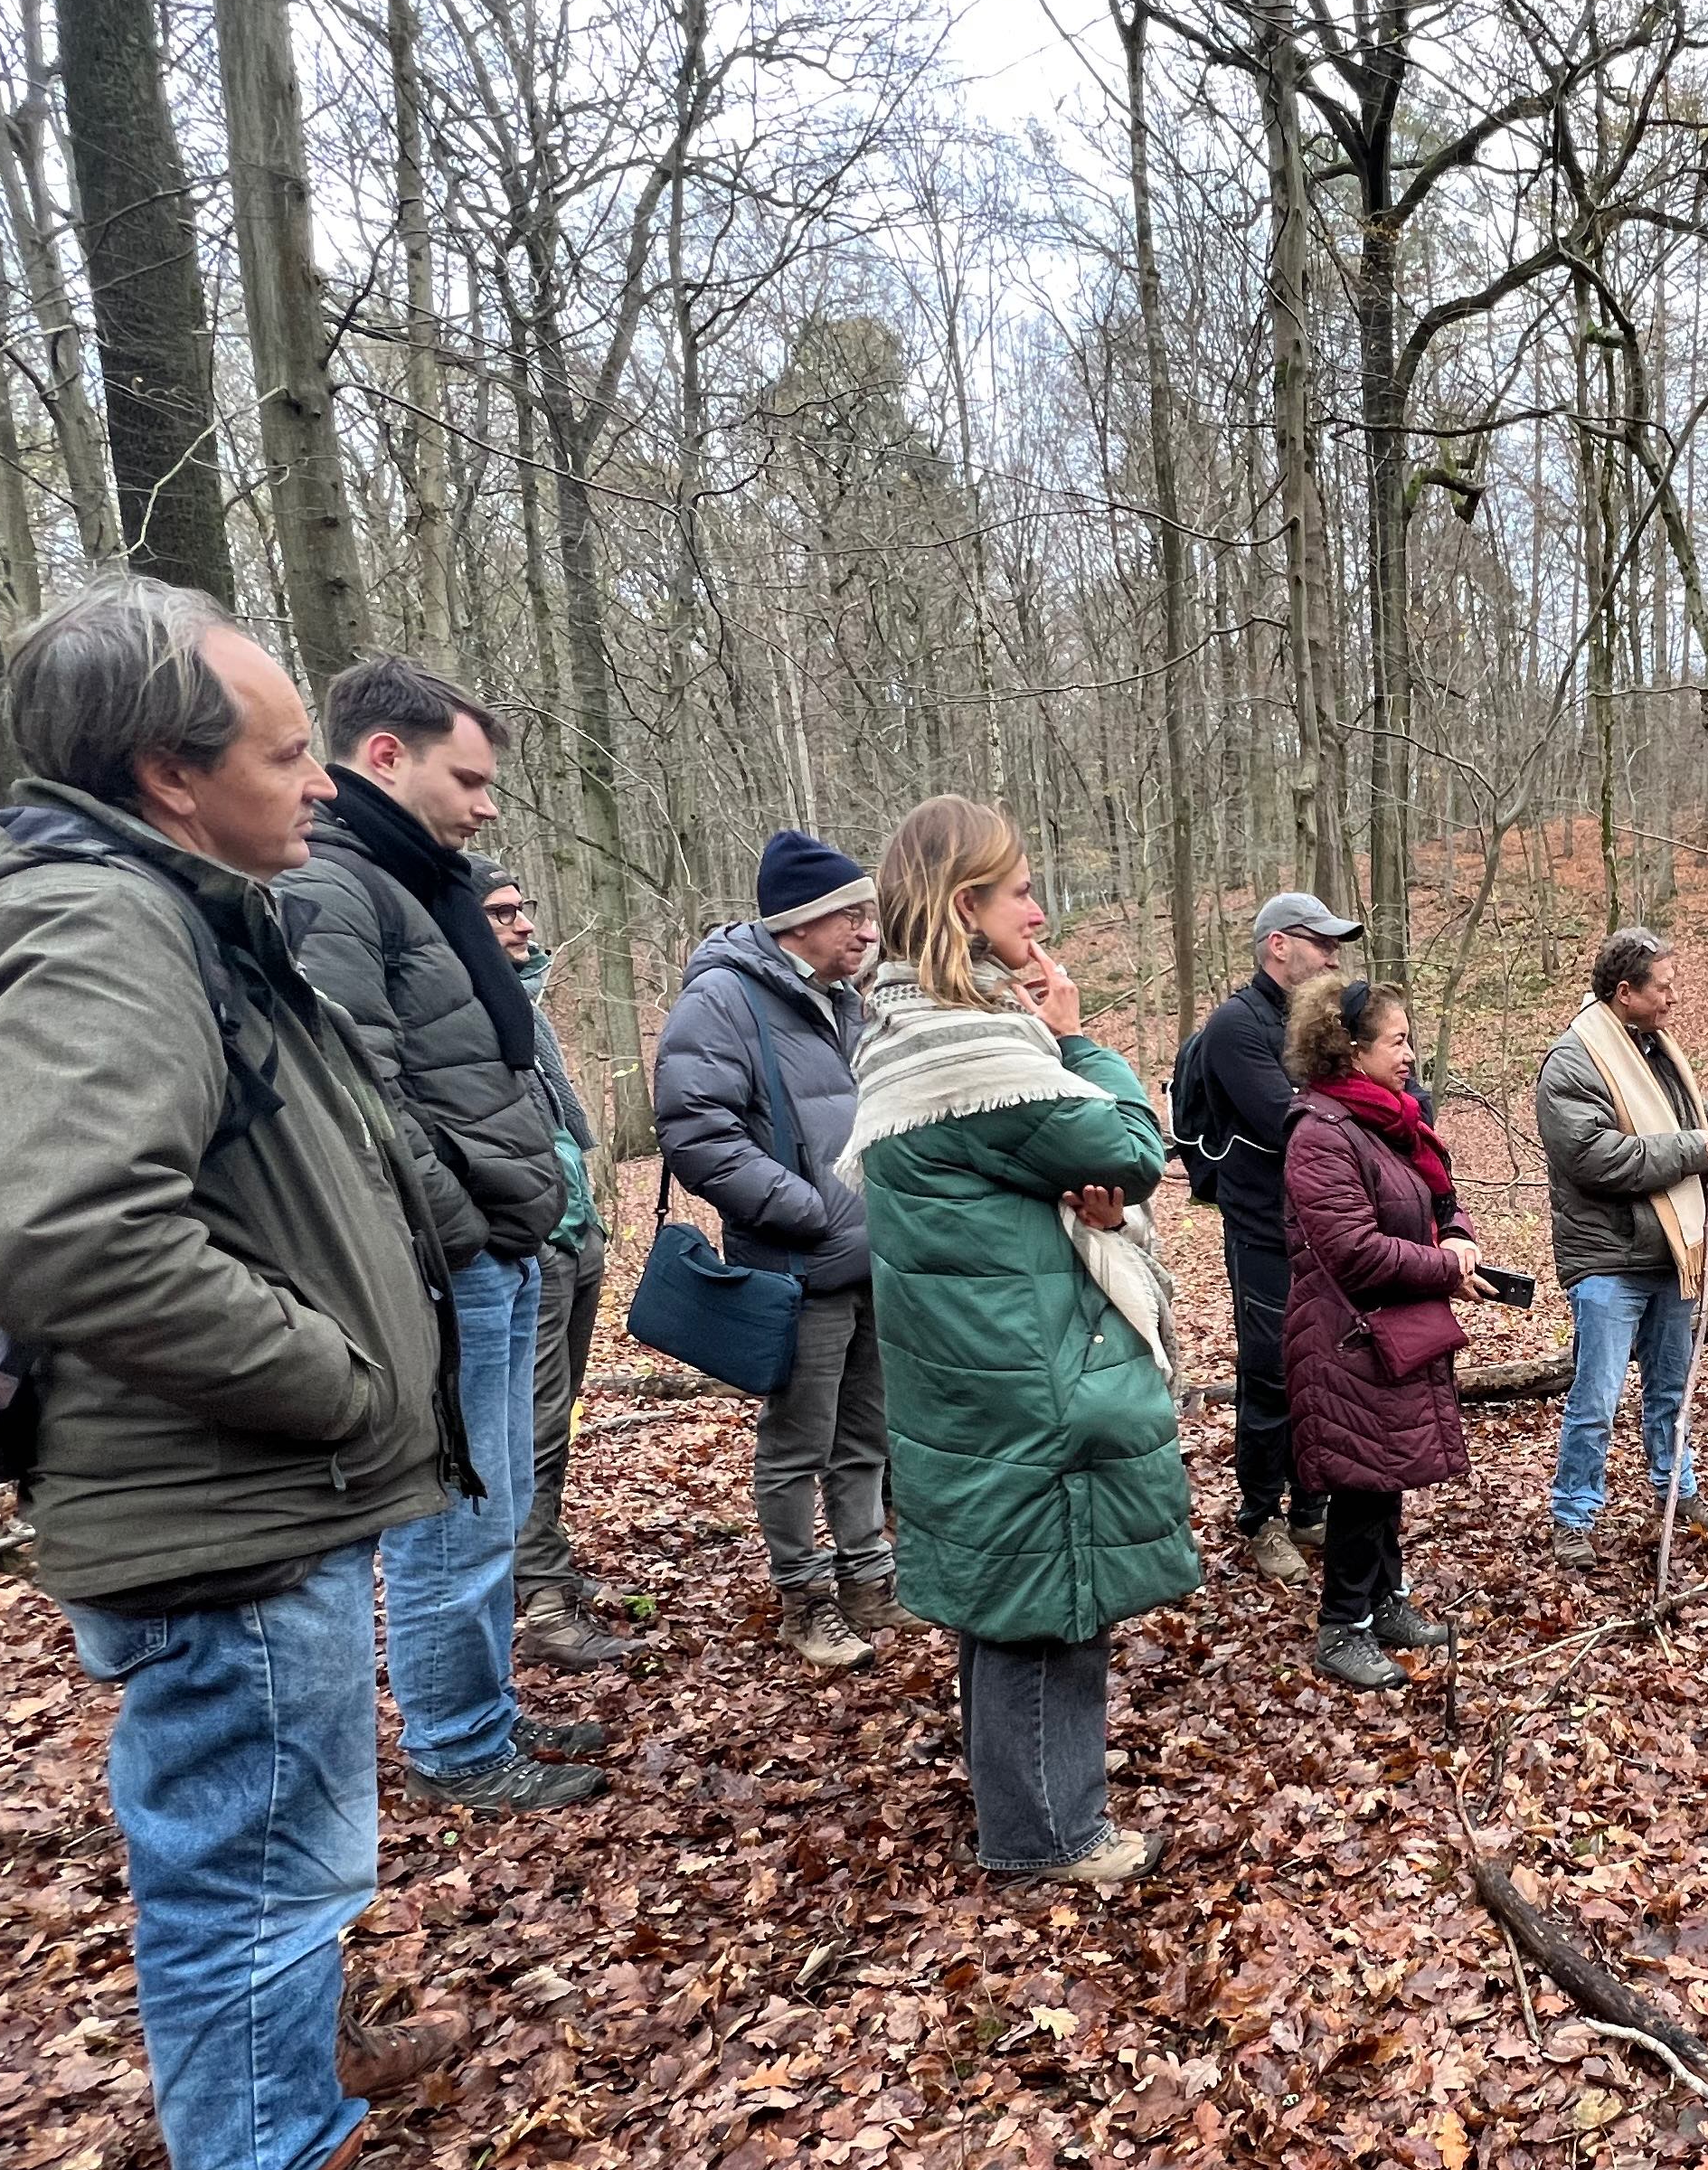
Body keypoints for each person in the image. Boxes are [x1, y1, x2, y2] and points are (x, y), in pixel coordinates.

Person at [0, 571, 535, 2170]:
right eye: (283, 753)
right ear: (166, 772)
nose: (320, 781)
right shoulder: (101, 924)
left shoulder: (177, 902)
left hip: (246, 1485)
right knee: (250, 1846)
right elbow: (61, 1227)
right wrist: (334, 1377)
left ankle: (291, 2084)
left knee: (285, 1833)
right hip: (222, 1492)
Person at [847, 795, 1195, 1886]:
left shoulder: (913, 1032)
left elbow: (1065, 1179)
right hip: (1020, 1377)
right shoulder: (973, 1053)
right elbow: (1136, 1146)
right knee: (1046, 1605)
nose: (1039, 913)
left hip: (984, 1368)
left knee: (1017, 1598)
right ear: (965, 908)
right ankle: (1048, 1833)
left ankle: (1031, 1811)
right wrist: (1081, 1037)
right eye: (1020, 893)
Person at [293, 655, 608, 1814]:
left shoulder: (421, 879)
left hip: (504, 1243)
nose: (485, 805)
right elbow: (358, 1090)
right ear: (385, 755)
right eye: (468, 779)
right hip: (454, 1256)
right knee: (457, 1515)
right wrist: (461, 1227)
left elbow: (483, 1061)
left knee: (500, 1498)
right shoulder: (334, 885)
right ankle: (460, 1747)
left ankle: (487, 1710)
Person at [654, 831, 902, 1671]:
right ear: (802, 922)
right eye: (853, 918)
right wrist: (812, 1213)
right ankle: (805, 1600)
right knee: (798, 1445)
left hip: (871, 1260)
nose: (869, 933)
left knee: (866, 1436)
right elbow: (697, 1133)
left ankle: (872, 1579)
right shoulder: (722, 1001)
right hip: (800, 1267)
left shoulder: (845, 1000)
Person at [1279, 974, 1484, 1689]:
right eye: (1397, 1042)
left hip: (1389, 1328)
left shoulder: (1389, 1123)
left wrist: (1456, 1236)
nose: (1409, 1056)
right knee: (1362, 1479)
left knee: (1387, 1471)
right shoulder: (1320, 1133)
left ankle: (1385, 1603)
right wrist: (1443, 1267)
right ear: (1348, 1048)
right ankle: (1343, 1628)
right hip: (1344, 1333)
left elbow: (1439, 1198)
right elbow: (1353, 1251)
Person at [1534, 927, 1708, 1569]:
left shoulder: (1661, 1053)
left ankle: (1677, 1494)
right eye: (1663, 987)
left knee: (1670, 1390)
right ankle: (1573, 1517)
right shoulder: (1574, 1059)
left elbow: (1693, 1141)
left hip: (1672, 1255)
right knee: (1596, 1397)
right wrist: (1693, 1149)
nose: (1674, 998)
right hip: (1608, 1260)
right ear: (1625, 992)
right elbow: (1591, 1157)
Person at [1173, 891, 1358, 1581]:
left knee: (1321, 1369)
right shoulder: (1236, 1026)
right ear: (1279, 945)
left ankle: (1310, 1508)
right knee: (1270, 1374)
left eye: (1338, 944)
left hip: (1324, 1228)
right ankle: (1260, 1518)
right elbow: (1295, 1125)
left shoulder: (1319, 1021)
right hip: (1262, 1231)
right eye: (1322, 942)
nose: (1334, 955)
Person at [479, 866, 637, 1669]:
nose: (522, 926)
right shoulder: (464, 1008)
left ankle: (547, 1565)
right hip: (528, 1240)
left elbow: (566, 1121)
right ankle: (539, 1599)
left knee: (559, 1417)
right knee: (531, 1425)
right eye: (500, 913)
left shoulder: (522, 1007)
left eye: (523, 910)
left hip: (576, 1236)